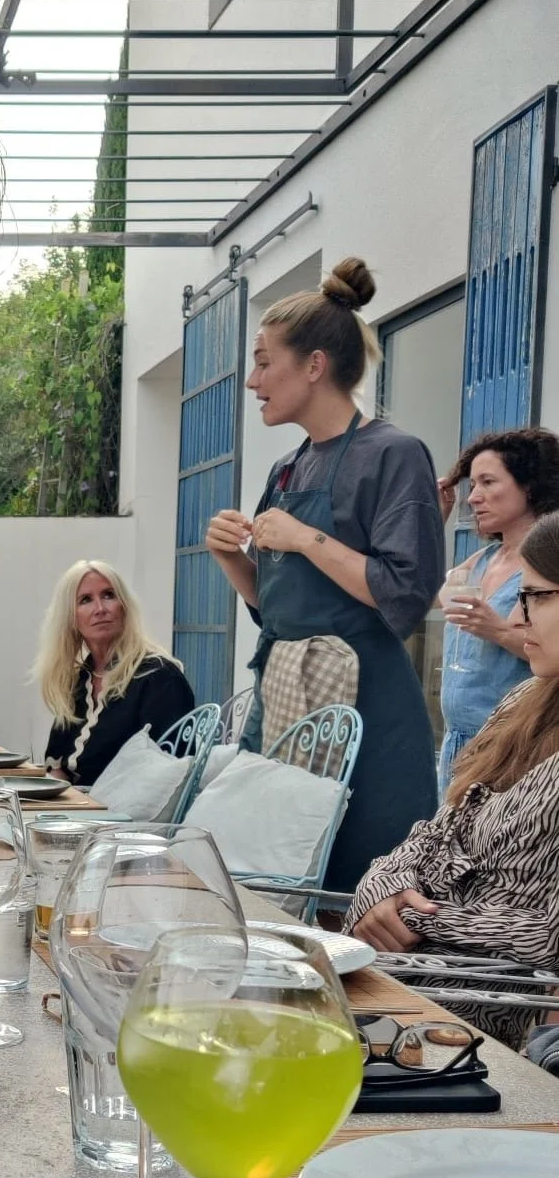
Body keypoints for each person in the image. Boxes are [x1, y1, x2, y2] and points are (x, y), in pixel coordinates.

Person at [204, 258, 444, 893]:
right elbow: (277, 608)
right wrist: (232, 558)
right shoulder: (288, 467)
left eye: (264, 362)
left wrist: (306, 539)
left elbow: (405, 592)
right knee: (270, 875)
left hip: (366, 708)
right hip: (285, 691)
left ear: (314, 365)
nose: (253, 380)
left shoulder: (393, 454)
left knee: (358, 890)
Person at [348, 511, 559, 1044]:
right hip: (402, 985)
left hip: (481, 1017)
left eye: (536, 596)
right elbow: (439, 830)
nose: (518, 619)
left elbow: (549, 935)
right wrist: (383, 887)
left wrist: (412, 917)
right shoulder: (526, 701)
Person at [434, 426, 559, 790]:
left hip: (511, 747)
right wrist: (435, 521)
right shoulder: (481, 560)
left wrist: (500, 631)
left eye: (488, 482)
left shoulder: (548, 563)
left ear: (530, 486)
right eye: (472, 485)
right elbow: (417, 595)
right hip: (457, 744)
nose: (473, 497)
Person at [35, 560, 195, 782]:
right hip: (75, 801)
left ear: (124, 606)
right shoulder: (79, 680)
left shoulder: (159, 677)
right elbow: (57, 763)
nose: (100, 609)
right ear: (70, 618)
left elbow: (169, 772)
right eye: (85, 600)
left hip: (130, 803)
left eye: (109, 595)